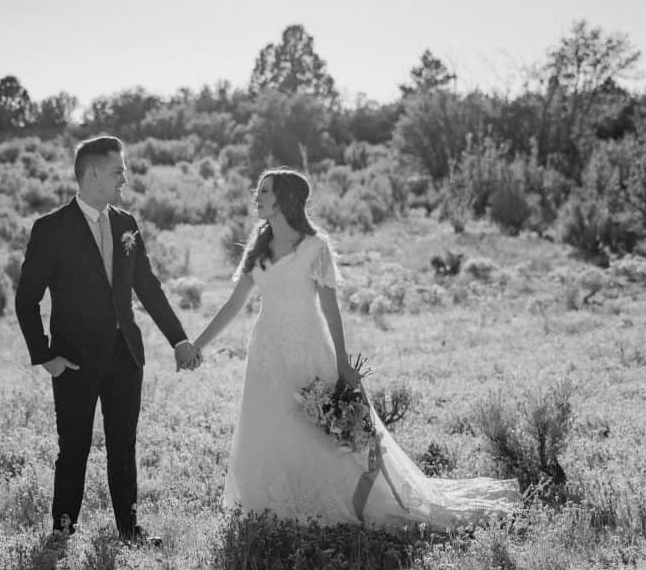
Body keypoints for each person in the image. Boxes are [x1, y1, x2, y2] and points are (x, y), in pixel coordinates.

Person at [192, 168, 519, 528]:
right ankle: (268, 506)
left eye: (264, 191)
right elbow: (232, 305)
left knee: (316, 428)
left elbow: (331, 309)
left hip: (308, 347)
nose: (256, 197)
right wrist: (197, 346)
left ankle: (333, 501)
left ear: (285, 199)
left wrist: (344, 362)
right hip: (266, 353)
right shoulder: (258, 248)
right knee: (269, 425)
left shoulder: (315, 248)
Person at [15, 135, 201, 545]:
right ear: (93, 172)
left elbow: (148, 287)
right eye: (119, 171)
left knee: (124, 447)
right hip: (74, 360)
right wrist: (46, 355)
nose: (125, 179)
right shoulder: (50, 229)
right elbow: (27, 299)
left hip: (125, 357)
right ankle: (62, 532)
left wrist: (178, 340)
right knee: (74, 448)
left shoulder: (126, 224)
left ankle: (129, 531)